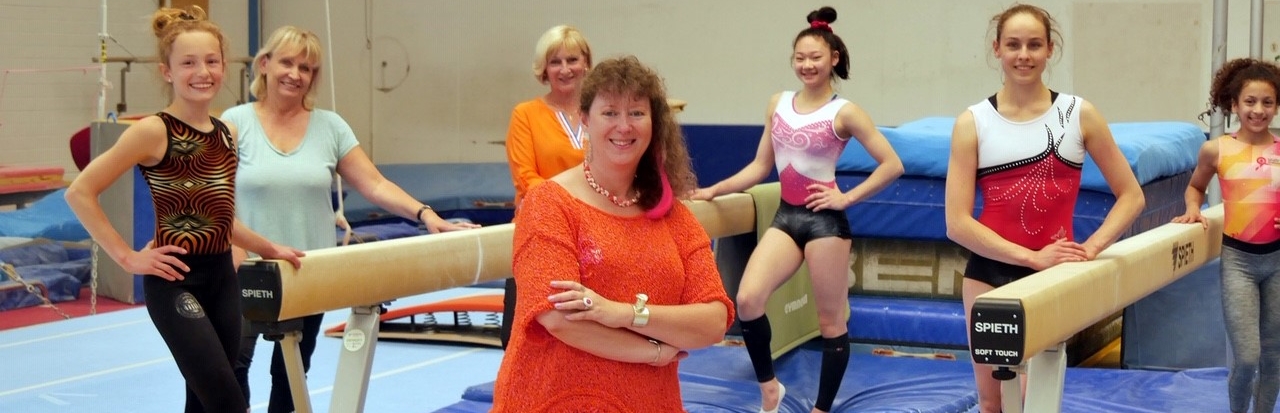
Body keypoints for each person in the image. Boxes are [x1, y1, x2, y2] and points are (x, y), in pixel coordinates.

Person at [222, 25, 479, 412]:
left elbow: (374, 184)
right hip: (245, 266)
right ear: (265, 64)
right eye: (287, 62)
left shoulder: (330, 126)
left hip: (307, 270)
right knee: (233, 365)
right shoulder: (235, 122)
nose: (295, 74)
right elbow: (214, 195)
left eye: (306, 68)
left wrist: (427, 215)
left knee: (290, 370)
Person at [63, 6, 305, 413]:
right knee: (228, 401)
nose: (202, 71)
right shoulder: (153, 131)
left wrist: (269, 247)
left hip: (222, 280)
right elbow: (80, 192)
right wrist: (127, 257)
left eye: (212, 61)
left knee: (204, 401)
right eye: (188, 62)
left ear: (224, 66)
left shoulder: (226, 133)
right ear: (167, 72)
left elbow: (222, 218)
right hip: (175, 281)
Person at [688, 7, 903, 413]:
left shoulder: (845, 112)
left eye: (815, 58)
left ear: (833, 59)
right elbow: (759, 166)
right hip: (787, 217)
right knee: (748, 300)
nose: (807, 65)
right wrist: (714, 190)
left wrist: (846, 198)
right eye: (800, 58)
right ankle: (770, 387)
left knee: (830, 323)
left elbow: (893, 164)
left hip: (825, 224)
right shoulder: (778, 103)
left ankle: (821, 408)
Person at [491, 55, 733, 412]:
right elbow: (558, 318)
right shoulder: (550, 203)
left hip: (648, 401)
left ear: (654, 124)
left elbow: (713, 321)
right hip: (557, 398)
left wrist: (624, 314)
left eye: (636, 113)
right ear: (585, 120)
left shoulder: (671, 215)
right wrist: (652, 352)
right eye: (610, 113)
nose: (624, 126)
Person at [944, 4, 1143, 412]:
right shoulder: (973, 122)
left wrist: (1092, 246)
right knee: (991, 402)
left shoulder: (1077, 114)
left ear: (1050, 49)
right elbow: (957, 223)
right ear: (997, 49)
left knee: (1035, 398)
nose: (1024, 55)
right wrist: (1030, 257)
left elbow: (1131, 195)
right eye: (1013, 45)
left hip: (1052, 277)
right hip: (989, 274)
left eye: (1034, 45)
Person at [1172, 57, 1280, 413]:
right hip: (1239, 262)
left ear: (1277, 106)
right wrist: (1193, 209)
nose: (1258, 110)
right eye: (1250, 101)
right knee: (1248, 356)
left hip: (1278, 261)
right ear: (1233, 104)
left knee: (1274, 355)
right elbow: (1195, 187)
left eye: (1267, 102)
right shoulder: (1217, 149)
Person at [501, 24, 593, 348]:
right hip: (540, 231)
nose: (565, 69)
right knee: (523, 337)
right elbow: (526, 177)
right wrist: (573, 209)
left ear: (586, 63)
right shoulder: (526, 114)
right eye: (555, 62)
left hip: (595, 234)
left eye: (572, 60)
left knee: (587, 333)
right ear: (544, 69)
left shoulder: (600, 114)